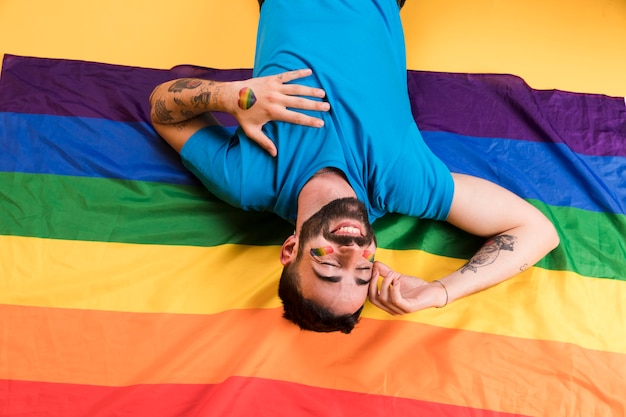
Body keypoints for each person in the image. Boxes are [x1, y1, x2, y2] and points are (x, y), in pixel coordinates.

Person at [149, 0, 559, 333]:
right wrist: (438, 292)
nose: (351, 254)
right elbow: (537, 232)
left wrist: (233, 97)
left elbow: (162, 108)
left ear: (291, 249)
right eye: (363, 271)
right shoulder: (402, 183)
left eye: (328, 266)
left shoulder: (249, 180)